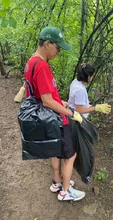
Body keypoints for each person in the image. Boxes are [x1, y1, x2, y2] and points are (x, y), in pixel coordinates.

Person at [24, 26, 85, 201]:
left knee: (55, 150)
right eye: (57, 48)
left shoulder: (31, 62)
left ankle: (57, 182)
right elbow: (47, 100)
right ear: (47, 43)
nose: (58, 52)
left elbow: (40, 94)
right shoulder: (42, 65)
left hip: (44, 116)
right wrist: (70, 113)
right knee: (70, 154)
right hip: (55, 118)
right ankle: (65, 191)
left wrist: (60, 101)